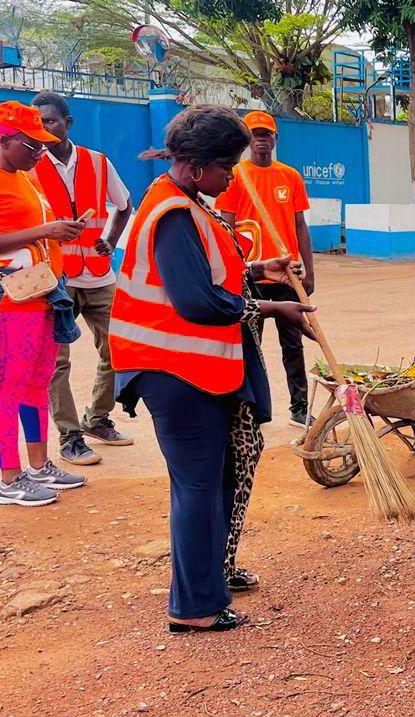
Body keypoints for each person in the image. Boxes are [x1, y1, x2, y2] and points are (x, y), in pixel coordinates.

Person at [110, 104, 315, 631]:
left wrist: (255, 269)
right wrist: (271, 307)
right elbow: (197, 301)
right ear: (199, 166)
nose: (232, 177)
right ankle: (195, 608)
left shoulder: (182, 201)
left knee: (210, 481)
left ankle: (206, 585)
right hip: (175, 372)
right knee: (198, 485)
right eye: (227, 167)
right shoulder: (172, 213)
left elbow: (207, 272)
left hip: (194, 369)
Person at [0, 100, 87, 507]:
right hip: (9, 298)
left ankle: (39, 466)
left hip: (41, 292)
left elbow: (32, 231)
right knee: (9, 385)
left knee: (37, 382)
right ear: (5, 141)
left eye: (43, 146)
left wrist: (58, 233)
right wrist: (44, 229)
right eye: (32, 146)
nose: (40, 153)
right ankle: (9, 479)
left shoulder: (27, 178)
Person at [30, 91, 135, 467]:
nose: (44, 128)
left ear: (67, 123)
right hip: (54, 277)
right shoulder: (30, 166)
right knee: (57, 360)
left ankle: (97, 418)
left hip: (98, 274)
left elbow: (123, 206)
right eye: (38, 122)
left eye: (50, 121)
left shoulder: (98, 162)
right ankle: (70, 436)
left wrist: (108, 240)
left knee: (119, 348)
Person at [216, 110, 315, 428]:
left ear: (275, 138)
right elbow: (227, 227)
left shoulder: (290, 177)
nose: (261, 138)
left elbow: (301, 225)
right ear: (247, 139)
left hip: (286, 274)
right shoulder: (235, 176)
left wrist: (309, 271)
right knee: (249, 344)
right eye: (255, 133)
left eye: (266, 133)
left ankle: (299, 407)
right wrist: (233, 272)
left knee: (293, 343)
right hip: (250, 276)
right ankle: (249, 408)